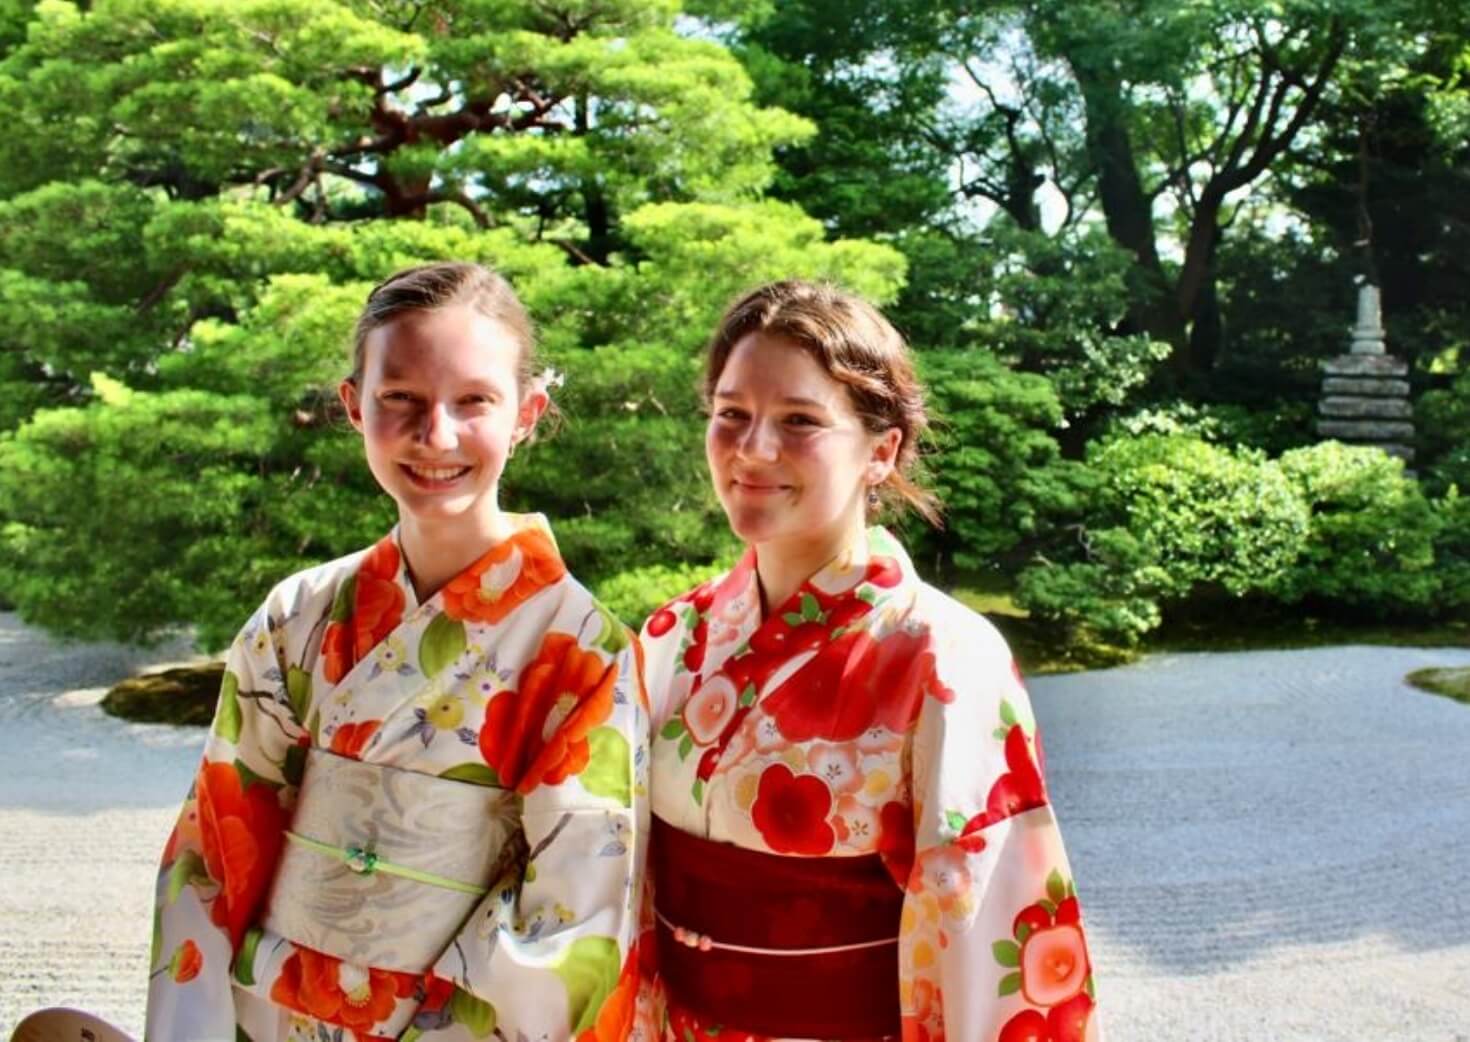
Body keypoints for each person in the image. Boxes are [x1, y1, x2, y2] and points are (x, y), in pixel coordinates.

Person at [145, 262, 647, 1042]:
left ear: (527, 413)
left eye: (473, 401)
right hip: (268, 1015)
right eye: (400, 399)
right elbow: (215, 850)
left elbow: (574, 913)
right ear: (354, 405)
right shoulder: (297, 616)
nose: (435, 435)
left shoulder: (581, 651)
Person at [635, 281, 1101, 1042]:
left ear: (880, 452)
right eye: (731, 415)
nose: (753, 449)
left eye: (799, 421)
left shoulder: (943, 658)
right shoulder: (673, 636)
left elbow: (987, 923)